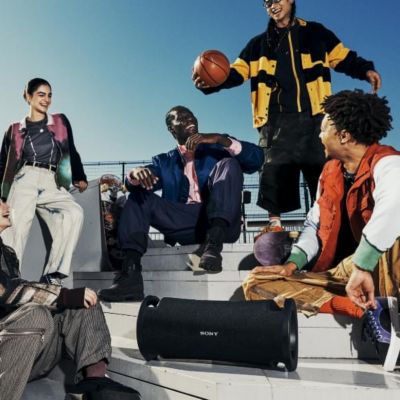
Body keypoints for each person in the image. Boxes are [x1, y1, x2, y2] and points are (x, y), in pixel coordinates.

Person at [193, 0, 382, 230]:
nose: (272, 5)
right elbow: (235, 73)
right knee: (273, 170)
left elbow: (343, 57)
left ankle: (328, 226)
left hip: (316, 117)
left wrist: (365, 69)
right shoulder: (257, 45)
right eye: (266, 2)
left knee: (325, 174)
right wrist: (211, 84)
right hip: (275, 120)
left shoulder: (316, 33)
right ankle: (275, 226)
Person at [243, 90, 399, 351]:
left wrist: (363, 265)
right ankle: (371, 313)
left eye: (324, 127)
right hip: (348, 270)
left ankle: (390, 312)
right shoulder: (330, 172)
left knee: (393, 240)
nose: (319, 134)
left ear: (344, 135)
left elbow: (394, 204)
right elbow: (314, 224)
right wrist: (292, 265)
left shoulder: (388, 162)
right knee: (257, 283)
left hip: (382, 261)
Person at [98, 105, 264, 302]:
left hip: (222, 221)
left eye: (192, 116)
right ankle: (131, 275)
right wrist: (135, 174)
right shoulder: (163, 161)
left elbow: (257, 160)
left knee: (229, 164)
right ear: (172, 128)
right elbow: (140, 182)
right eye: (182, 118)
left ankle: (213, 246)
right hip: (184, 223)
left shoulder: (219, 147)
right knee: (139, 195)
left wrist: (221, 139)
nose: (190, 120)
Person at [0, 202, 141, 400]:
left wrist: (69, 298)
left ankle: (96, 380)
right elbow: (6, 291)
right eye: (0, 203)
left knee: (82, 303)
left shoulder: (7, 253)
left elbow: (16, 294)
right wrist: (62, 295)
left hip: (22, 352)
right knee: (38, 314)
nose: (7, 206)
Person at [0, 78, 88, 285]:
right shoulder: (14, 129)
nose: (46, 99)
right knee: (15, 229)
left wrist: (79, 176)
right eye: (41, 94)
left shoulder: (60, 121)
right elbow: (2, 164)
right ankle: (8, 278)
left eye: (49, 95)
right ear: (28, 97)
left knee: (74, 213)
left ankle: (53, 275)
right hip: (24, 178)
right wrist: (0, 197)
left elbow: (71, 149)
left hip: (52, 180)